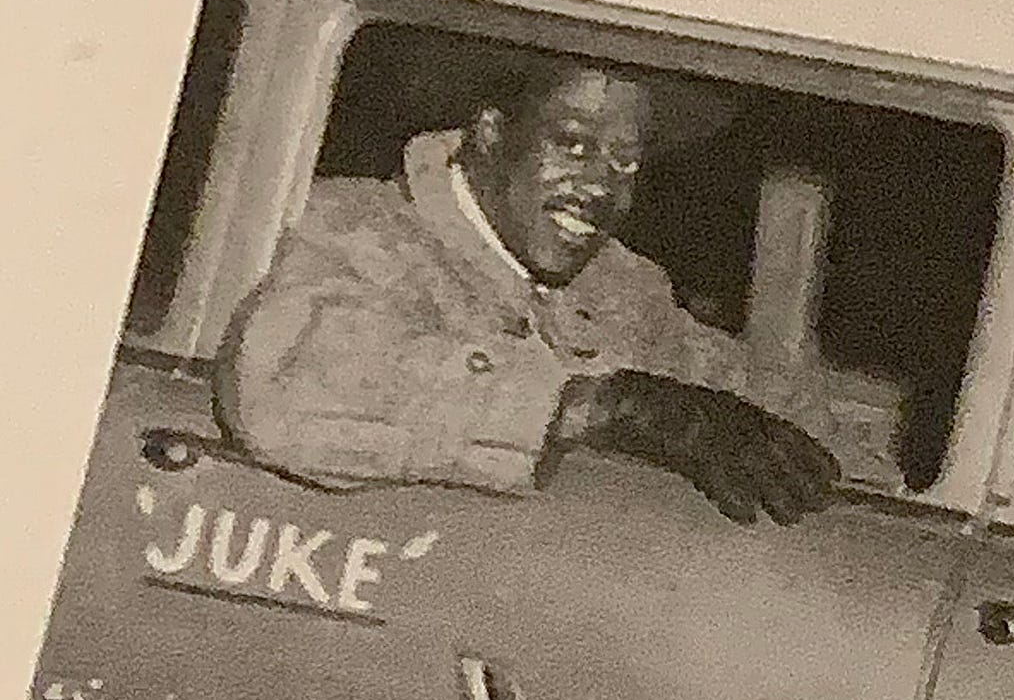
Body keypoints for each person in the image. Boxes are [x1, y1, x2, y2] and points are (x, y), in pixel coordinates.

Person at [216, 57, 839, 524]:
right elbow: (295, 385)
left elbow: (746, 395)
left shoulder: (623, 289)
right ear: (490, 132)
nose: (599, 186)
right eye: (572, 145)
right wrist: (597, 406)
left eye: (625, 160)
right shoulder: (353, 229)